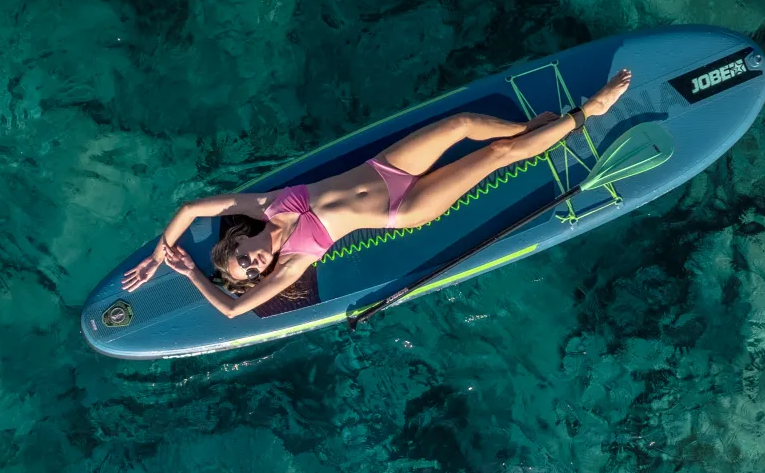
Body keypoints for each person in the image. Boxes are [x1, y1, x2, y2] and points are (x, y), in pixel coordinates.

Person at [121, 69, 635, 317]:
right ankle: (590, 111)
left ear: (236, 242)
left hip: (385, 166)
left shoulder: (262, 205)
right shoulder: (295, 263)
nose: (255, 265)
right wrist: (193, 278)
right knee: (498, 157)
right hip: (402, 208)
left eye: (242, 260)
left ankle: (528, 125)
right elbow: (233, 311)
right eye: (252, 273)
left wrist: (156, 254)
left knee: (460, 123)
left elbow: (190, 208)